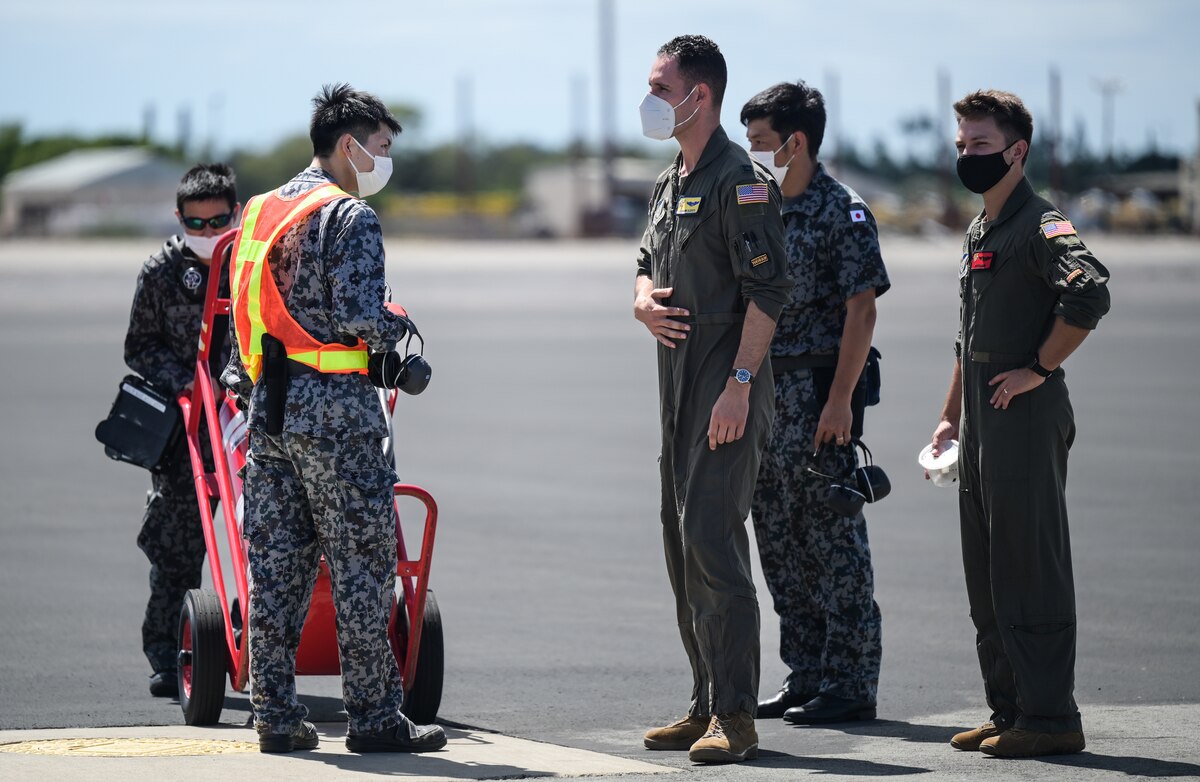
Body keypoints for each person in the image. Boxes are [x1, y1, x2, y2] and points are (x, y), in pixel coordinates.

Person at [221, 84, 445, 755]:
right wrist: (395, 325)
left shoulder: (263, 210)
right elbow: (358, 315)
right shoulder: (349, 216)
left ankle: (276, 715)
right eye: (380, 147)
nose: (383, 160)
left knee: (279, 566)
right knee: (361, 565)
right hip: (337, 416)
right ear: (349, 145)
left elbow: (248, 316)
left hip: (271, 410)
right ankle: (375, 716)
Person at [929, 89, 1110, 758]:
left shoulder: (1041, 224)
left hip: (1024, 417)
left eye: (979, 145)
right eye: (961, 145)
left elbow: (1089, 292)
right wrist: (949, 418)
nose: (967, 156)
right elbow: (966, 339)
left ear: (1017, 151)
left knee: (1029, 567)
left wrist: (1039, 366)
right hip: (981, 420)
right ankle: (1010, 710)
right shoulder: (983, 230)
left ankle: (1051, 716)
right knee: (988, 571)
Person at [633, 35, 793, 765]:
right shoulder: (673, 180)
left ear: (701, 96)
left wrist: (739, 386)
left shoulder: (742, 180)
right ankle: (704, 702)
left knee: (714, 545)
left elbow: (768, 292)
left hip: (724, 387)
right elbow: (644, 261)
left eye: (662, 87)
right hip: (676, 388)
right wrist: (642, 302)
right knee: (681, 545)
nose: (652, 99)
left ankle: (737, 715)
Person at [740, 82, 888, 725]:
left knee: (834, 543)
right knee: (778, 540)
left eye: (762, 142)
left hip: (819, 394)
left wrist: (840, 404)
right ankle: (805, 673)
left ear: (795, 142)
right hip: (767, 395)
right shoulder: (758, 204)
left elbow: (862, 311)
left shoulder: (841, 210)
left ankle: (851, 681)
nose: (753, 154)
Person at [124, 163, 240, 698]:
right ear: (179, 219)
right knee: (176, 548)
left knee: (261, 540)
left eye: (219, 221)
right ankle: (170, 655)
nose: (208, 233)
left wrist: (232, 385)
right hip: (184, 431)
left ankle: (257, 642)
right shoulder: (160, 272)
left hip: (244, 421)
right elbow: (139, 346)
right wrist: (188, 384)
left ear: (236, 213)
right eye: (196, 224)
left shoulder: (254, 267)